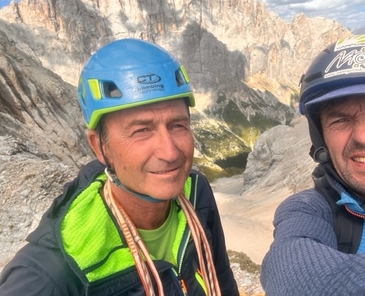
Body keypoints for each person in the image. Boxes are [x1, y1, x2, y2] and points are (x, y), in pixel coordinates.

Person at [0, 38, 239, 295]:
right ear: (99, 147)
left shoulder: (195, 192)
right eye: (141, 130)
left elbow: (221, 277)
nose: (170, 153)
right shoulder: (53, 273)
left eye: (178, 125)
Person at [261, 34, 365, 296]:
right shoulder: (310, 209)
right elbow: (287, 266)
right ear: (321, 139)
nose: (364, 137)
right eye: (340, 120)